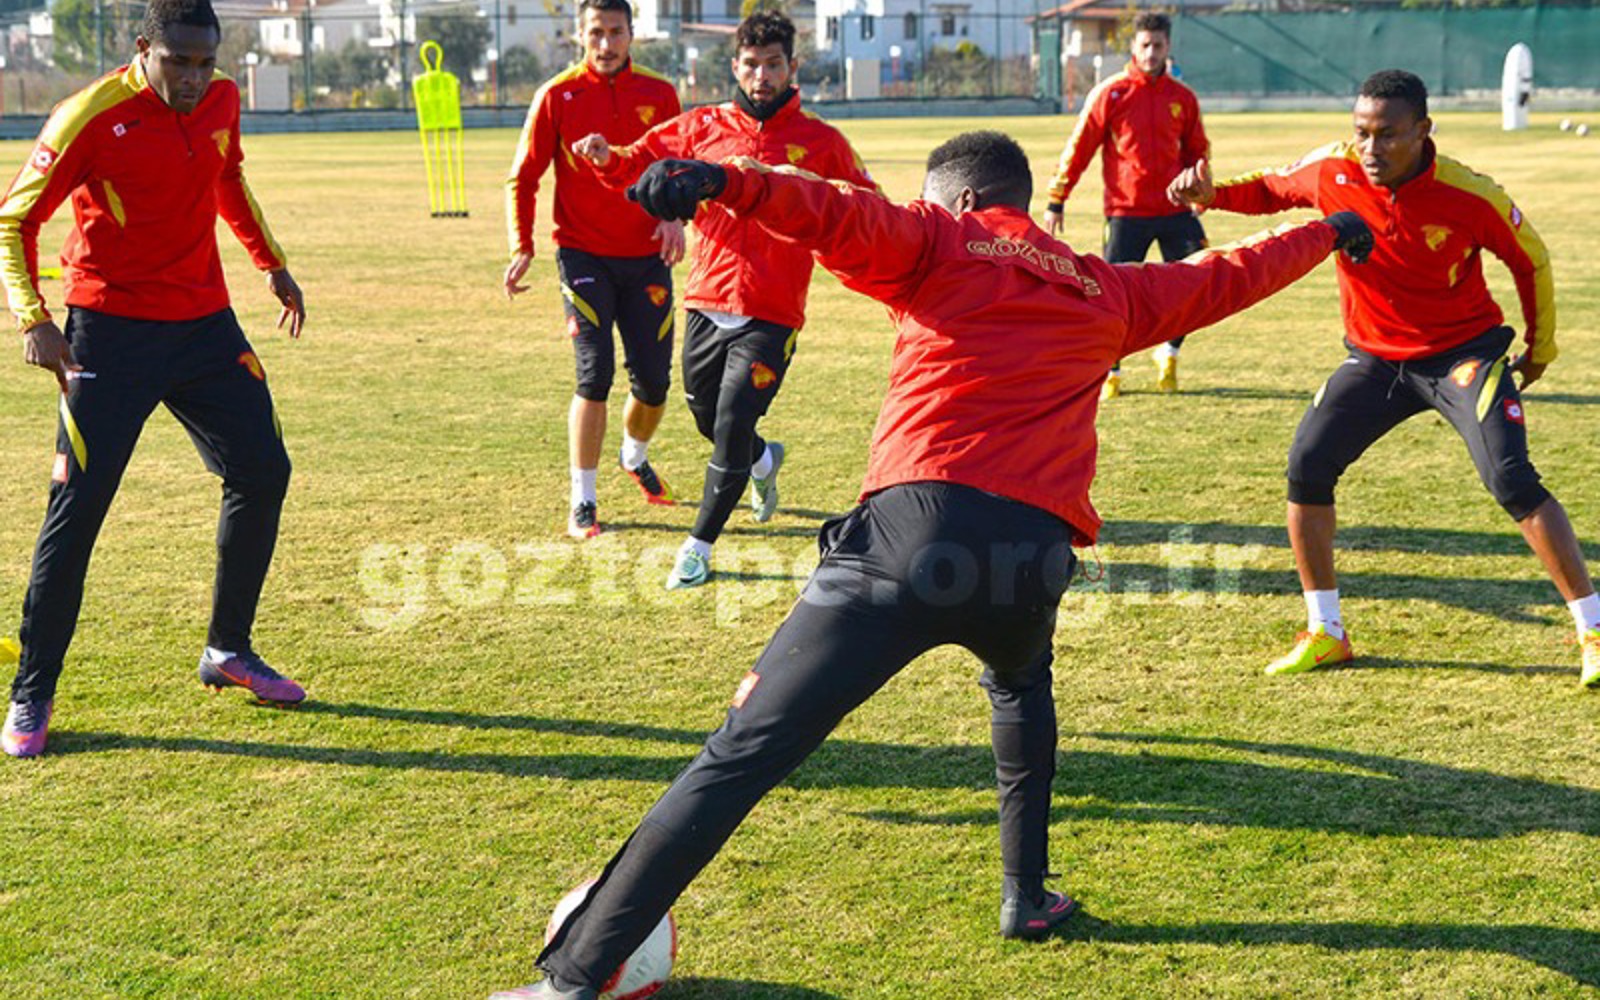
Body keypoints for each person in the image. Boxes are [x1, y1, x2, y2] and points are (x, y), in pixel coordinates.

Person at [488, 132, 1372, 998]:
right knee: (1020, 687)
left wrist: (723, 181)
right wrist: (1328, 231)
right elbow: (1230, 273)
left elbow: (831, 211)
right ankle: (1026, 896)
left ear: (959, 199)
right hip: (1031, 559)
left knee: (739, 757)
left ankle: (571, 981)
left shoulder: (937, 237)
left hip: (911, 536)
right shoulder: (1109, 286)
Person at [1167, 69, 1600, 686]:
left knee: (1510, 477)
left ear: (1424, 130)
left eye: (1388, 135)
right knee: (1307, 465)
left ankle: (1593, 630)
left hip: (1462, 357)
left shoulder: (1469, 194)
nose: (1371, 148)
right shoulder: (1334, 170)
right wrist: (1210, 195)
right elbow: (1271, 188)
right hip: (1375, 360)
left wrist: (1541, 347)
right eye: (1362, 132)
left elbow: (1531, 259)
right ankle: (1326, 631)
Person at [0, 0, 309, 758]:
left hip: (205, 327)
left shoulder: (222, 99)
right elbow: (13, 220)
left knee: (263, 471)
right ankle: (32, 691)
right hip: (109, 335)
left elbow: (227, 178)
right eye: (179, 63)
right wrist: (33, 318)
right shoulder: (89, 116)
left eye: (206, 63)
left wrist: (271, 263)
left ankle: (227, 649)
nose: (195, 79)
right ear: (144, 49)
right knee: (78, 511)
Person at [570, 10, 876, 589]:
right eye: (752, 65)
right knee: (709, 421)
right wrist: (607, 158)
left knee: (733, 421)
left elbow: (866, 203)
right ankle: (763, 460)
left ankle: (698, 547)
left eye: (774, 65)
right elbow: (640, 160)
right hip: (707, 300)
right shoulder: (702, 125)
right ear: (735, 66)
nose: (762, 76)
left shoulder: (823, 142)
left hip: (773, 309)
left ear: (793, 67)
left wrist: (818, 197)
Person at [504, 0, 686, 541]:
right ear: (579, 35)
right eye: (596, 33)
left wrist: (674, 217)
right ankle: (582, 499)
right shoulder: (557, 95)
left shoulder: (660, 93)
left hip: (647, 256)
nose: (606, 45)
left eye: (616, 32)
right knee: (594, 374)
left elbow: (678, 167)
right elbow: (524, 177)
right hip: (582, 255)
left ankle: (634, 455)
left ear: (632, 34)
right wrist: (521, 245)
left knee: (654, 382)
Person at [1042, 11, 1209, 399]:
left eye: (1158, 45)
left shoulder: (1182, 97)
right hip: (1125, 212)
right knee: (1112, 297)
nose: (1151, 53)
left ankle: (1169, 352)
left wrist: (1200, 192)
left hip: (1175, 211)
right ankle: (1111, 370)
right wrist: (1056, 199)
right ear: (1134, 46)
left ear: (1168, 47)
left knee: (1198, 285)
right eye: (1145, 45)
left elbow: (1197, 151)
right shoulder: (1111, 93)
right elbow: (1080, 148)